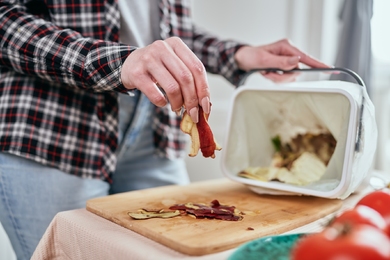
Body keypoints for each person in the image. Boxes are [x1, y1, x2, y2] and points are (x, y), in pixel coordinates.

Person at [0, 0, 330, 259]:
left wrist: (239, 55)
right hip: (53, 126)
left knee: (182, 246)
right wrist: (116, 62)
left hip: (154, 126)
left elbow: (167, 35)